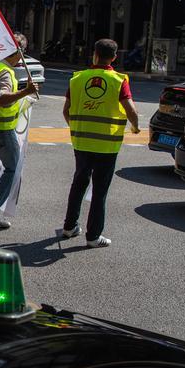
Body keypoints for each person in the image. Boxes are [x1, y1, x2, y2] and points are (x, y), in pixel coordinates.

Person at [60, 38, 140, 248]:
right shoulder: (118, 80)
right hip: (107, 145)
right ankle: (93, 236)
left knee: (78, 183)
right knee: (99, 191)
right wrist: (135, 126)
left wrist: (76, 128)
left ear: (94, 54)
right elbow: (130, 109)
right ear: (114, 57)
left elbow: (66, 111)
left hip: (81, 142)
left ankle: (69, 227)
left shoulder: (77, 78)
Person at [0, 35, 39, 228]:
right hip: (0, 128)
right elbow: (0, 99)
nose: (22, 58)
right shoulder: (4, 72)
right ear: (18, 52)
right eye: (22, 53)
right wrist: (25, 92)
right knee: (12, 168)